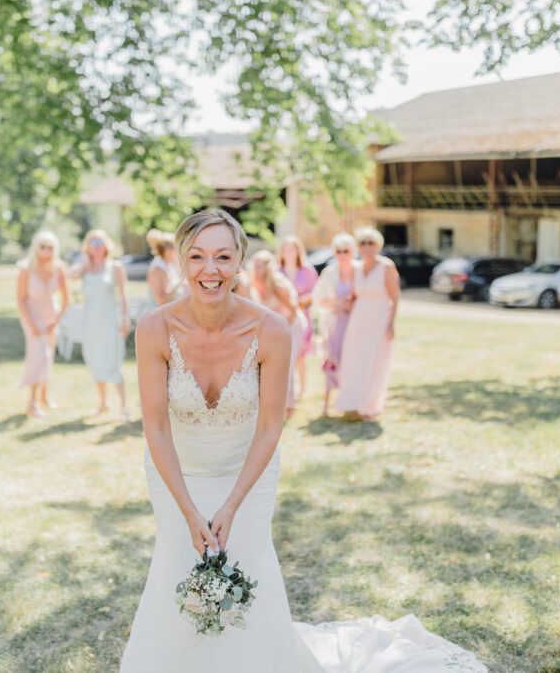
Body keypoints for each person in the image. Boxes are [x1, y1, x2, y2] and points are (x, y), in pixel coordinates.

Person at [119, 208, 485, 673]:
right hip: (177, 473)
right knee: (177, 563)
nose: (210, 270)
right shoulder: (154, 328)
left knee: (249, 566)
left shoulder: (271, 328)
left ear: (239, 262)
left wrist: (230, 505)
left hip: (246, 474)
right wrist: (190, 510)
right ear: (182, 263)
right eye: (196, 257)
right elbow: (156, 426)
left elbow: (272, 424)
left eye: (222, 257)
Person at [333, 227, 400, 420]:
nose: (367, 247)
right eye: (363, 243)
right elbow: (353, 295)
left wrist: (391, 323)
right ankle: (352, 402)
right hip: (358, 318)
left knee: (374, 361)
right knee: (354, 359)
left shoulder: (386, 266)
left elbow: (395, 297)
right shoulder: (356, 269)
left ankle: (369, 405)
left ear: (378, 245)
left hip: (379, 317)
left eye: (371, 243)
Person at [69, 229, 130, 420]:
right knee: (95, 359)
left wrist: (125, 319)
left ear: (106, 246)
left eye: (99, 243)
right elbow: (69, 276)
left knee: (113, 360)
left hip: (110, 322)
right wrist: (84, 263)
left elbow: (123, 295)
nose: (95, 246)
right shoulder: (85, 267)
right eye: (92, 243)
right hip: (91, 323)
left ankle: (123, 406)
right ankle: (103, 403)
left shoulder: (115, 267)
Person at [16, 230, 69, 418]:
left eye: (50, 247)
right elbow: (21, 300)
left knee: (48, 356)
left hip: (50, 317)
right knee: (38, 356)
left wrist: (55, 322)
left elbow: (66, 300)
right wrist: (31, 324)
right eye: (42, 247)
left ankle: (45, 396)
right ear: (36, 248)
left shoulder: (59, 268)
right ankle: (32, 401)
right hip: (31, 316)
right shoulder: (26, 269)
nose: (46, 251)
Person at [249, 249, 306, 417]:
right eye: (256, 265)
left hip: (291, 324)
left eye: (261, 265)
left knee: (287, 364)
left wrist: (282, 329)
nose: (258, 269)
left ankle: (289, 405)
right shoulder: (253, 284)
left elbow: (293, 309)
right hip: (273, 328)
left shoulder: (277, 284)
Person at [311, 232, 358, 416]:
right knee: (332, 360)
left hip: (355, 323)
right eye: (338, 251)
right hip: (334, 324)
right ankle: (326, 403)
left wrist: (350, 304)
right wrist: (337, 303)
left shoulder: (360, 270)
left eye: (345, 250)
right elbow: (318, 300)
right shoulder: (329, 272)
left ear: (352, 251)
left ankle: (351, 400)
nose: (342, 255)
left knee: (353, 361)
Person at [277, 235, 319, 401]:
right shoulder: (277, 271)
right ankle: (286, 388)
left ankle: (303, 388)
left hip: (302, 315)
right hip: (282, 317)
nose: (288, 252)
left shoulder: (307, 270)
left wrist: (302, 301)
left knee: (301, 353)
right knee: (284, 353)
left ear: (298, 251)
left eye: (291, 249)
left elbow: (315, 292)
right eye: (285, 249)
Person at [146, 230, 185, 306]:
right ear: (167, 251)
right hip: (158, 315)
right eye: (176, 249)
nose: (178, 253)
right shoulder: (158, 270)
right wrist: (180, 282)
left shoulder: (169, 265)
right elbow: (160, 300)